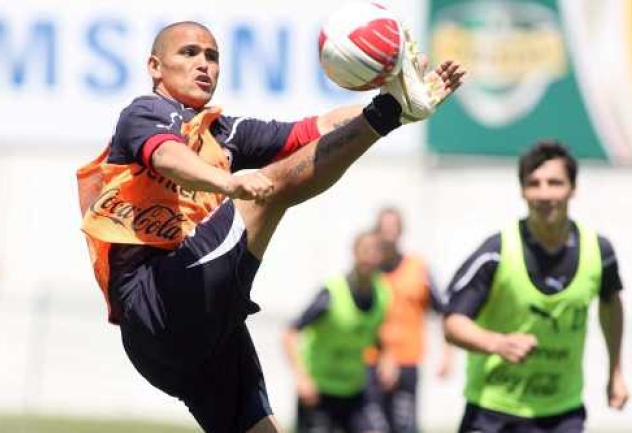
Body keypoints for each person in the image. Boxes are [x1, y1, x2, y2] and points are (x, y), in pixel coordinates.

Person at [76, 20, 465, 433]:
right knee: (267, 192)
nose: (204, 64)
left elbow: (318, 129)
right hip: (155, 302)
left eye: (212, 56)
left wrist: (398, 104)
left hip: (208, 329)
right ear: (155, 67)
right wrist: (227, 182)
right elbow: (168, 157)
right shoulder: (145, 112)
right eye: (189, 53)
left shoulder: (224, 132)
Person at [443, 141, 629, 433]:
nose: (544, 194)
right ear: (522, 191)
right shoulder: (496, 252)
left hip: (562, 412)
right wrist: (497, 343)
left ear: (573, 189)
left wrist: (615, 371)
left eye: (555, 183)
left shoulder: (599, 252)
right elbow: (453, 323)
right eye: (534, 184)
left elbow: (610, 303)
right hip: (493, 411)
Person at [282, 230, 391, 433]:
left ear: (382, 256)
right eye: (365, 250)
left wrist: (387, 358)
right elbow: (289, 333)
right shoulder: (332, 292)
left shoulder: (383, 293)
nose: (369, 257)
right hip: (319, 391)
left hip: (355, 390)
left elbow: (375, 333)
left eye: (375, 251)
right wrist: (302, 378)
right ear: (354, 252)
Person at [365, 207, 453, 433]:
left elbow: (443, 310)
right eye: (384, 228)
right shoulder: (368, 271)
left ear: (401, 230)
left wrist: (447, 354)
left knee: (405, 427)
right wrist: (384, 357)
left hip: (407, 361)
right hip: (371, 362)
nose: (389, 234)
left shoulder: (418, 268)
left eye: (393, 228)